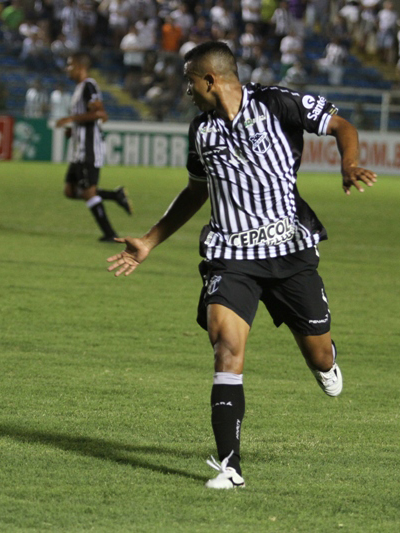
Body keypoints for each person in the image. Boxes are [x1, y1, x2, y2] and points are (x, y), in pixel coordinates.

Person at [105, 41, 376, 489]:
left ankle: (326, 363)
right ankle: (230, 467)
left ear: (210, 79)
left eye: (190, 81)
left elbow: (340, 125)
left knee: (319, 352)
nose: (187, 90)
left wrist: (349, 164)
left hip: (289, 252)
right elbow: (196, 191)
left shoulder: (276, 103)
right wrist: (150, 241)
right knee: (226, 347)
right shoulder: (201, 131)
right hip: (231, 257)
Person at [55, 53, 133, 242]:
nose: (67, 69)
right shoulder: (79, 89)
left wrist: (71, 119)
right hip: (78, 150)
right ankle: (115, 195)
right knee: (70, 191)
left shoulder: (88, 86)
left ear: (81, 67)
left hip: (88, 149)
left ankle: (110, 234)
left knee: (89, 193)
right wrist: (73, 129)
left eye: (70, 65)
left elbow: (100, 113)